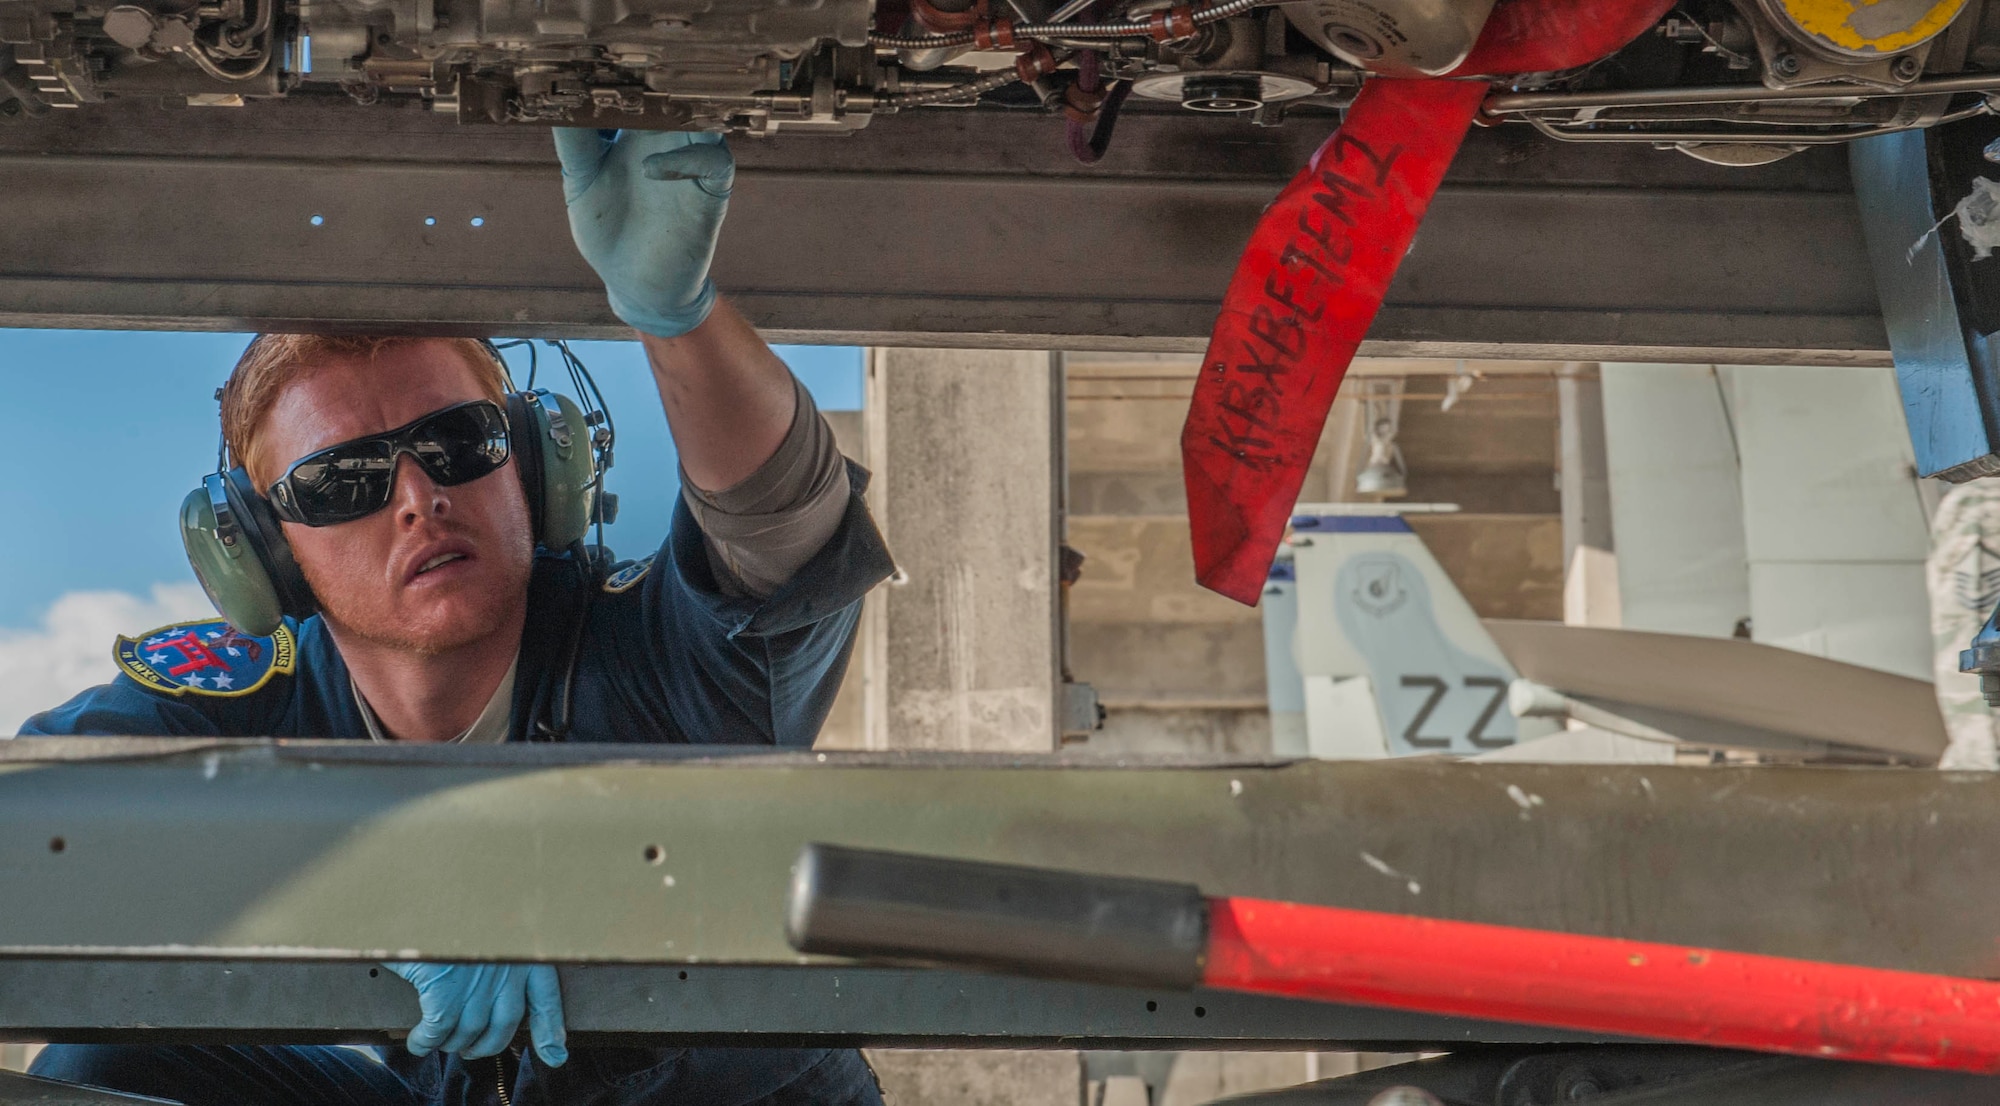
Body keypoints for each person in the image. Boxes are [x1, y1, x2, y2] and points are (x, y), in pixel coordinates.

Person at [16, 129, 893, 1105]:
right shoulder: (246, 692)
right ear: (264, 553)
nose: (416, 495)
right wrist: (388, 907)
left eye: (457, 439)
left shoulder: (656, 645)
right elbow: (33, 831)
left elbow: (783, 528)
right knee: (99, 1065)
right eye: (341, 479)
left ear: (532, 463)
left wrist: (677, 318)